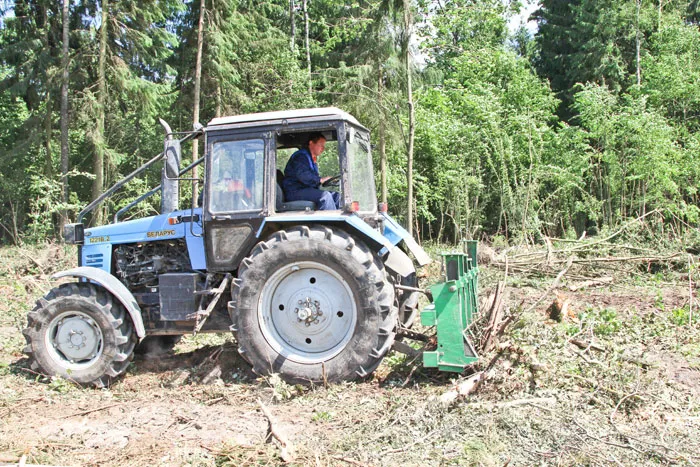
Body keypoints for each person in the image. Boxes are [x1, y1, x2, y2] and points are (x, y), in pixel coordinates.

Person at [282, 132, 340, 210]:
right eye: (321, 145)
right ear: (311, 143)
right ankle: (332, 222)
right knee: (325, 196)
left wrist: (324, 180)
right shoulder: (300, 156)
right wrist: (320, 180)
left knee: (337, 196)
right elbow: (303, 175)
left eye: (324, 146)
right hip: (294, 191)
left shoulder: (311, 159)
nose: (323, 148)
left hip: (304, 189)